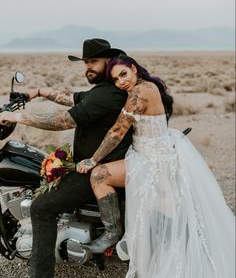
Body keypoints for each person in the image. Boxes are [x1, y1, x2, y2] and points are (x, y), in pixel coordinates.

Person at [77, 54, 235, 278]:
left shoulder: (141, 92)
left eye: (123, 74)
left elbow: (117, 131)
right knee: (165, 212)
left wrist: (92, 160)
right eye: (115, 79)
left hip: (154, 161)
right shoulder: (145, 87)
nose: (121, 82)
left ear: (133, 69)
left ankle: (112, 234)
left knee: (99, 175)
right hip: (147, 153)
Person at [0, 39, 133, 278]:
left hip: (95, 170)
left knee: (41, 208)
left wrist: (19, 117)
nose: (88, 67)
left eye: (93, 61)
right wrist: (38, 92)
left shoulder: (107, 94)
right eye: (85, 62)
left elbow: (64, 120)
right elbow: (71, 98)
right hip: (92, 165)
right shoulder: (103, 90)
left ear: (109, 61)